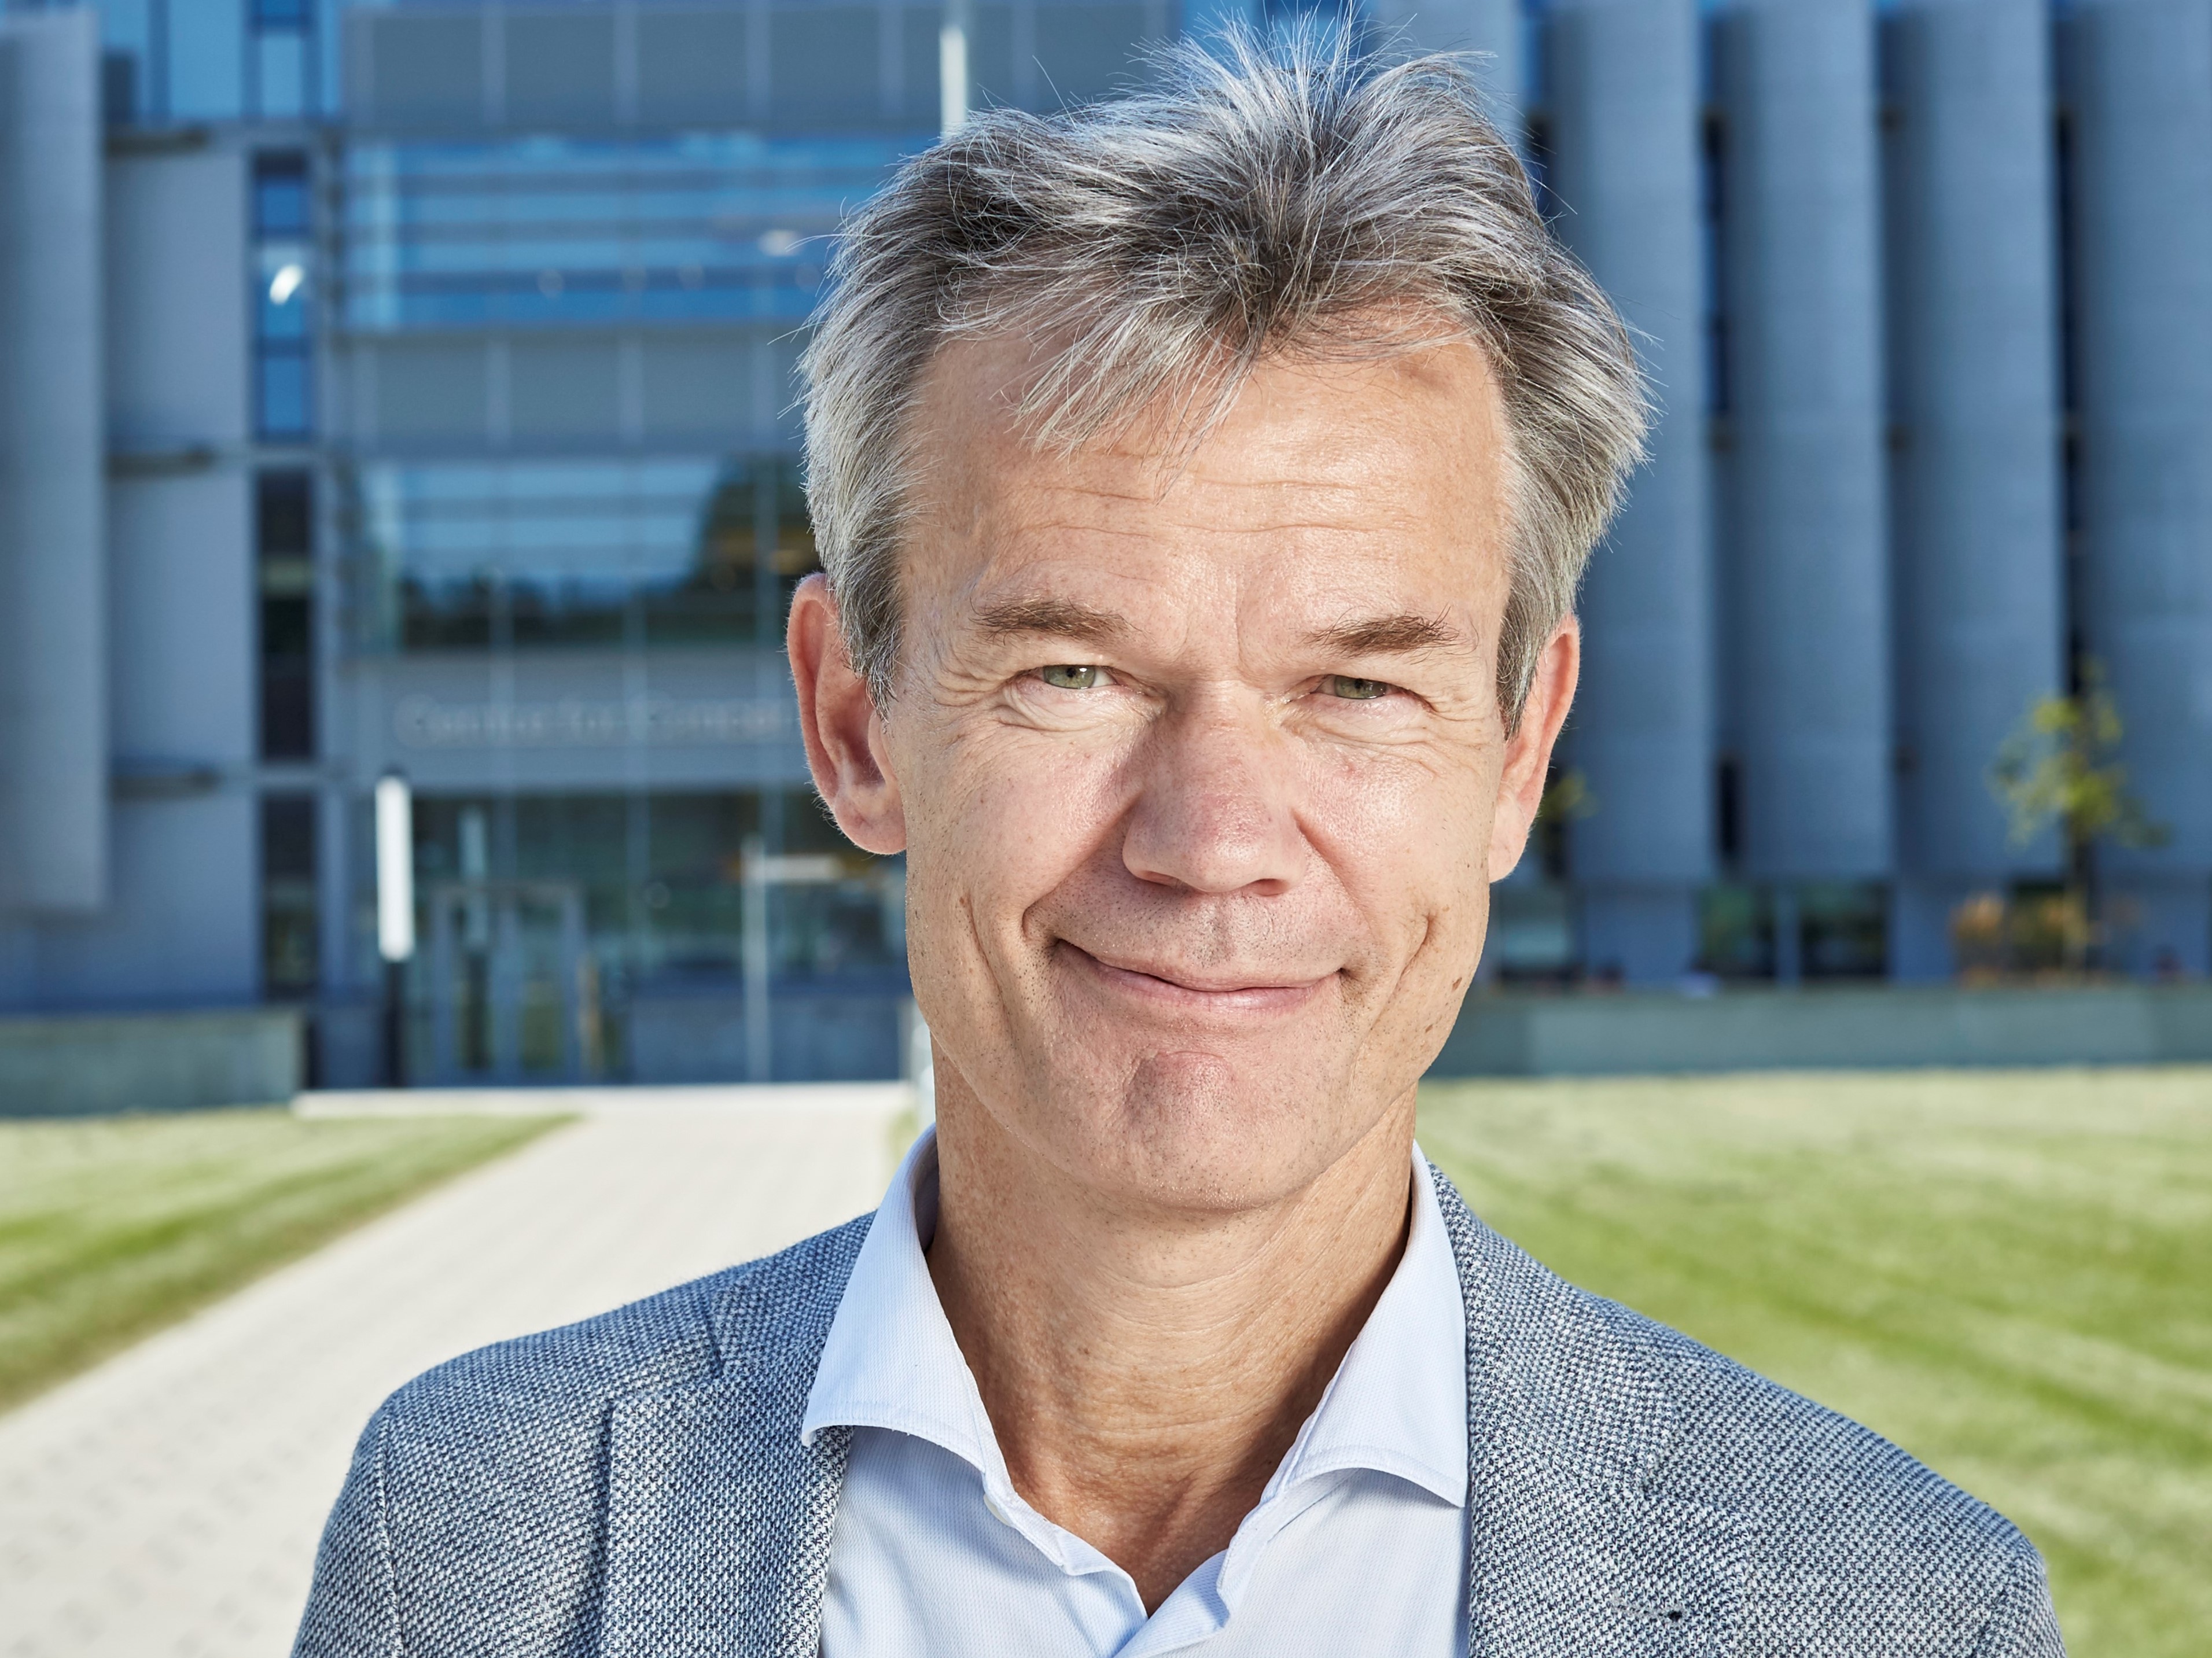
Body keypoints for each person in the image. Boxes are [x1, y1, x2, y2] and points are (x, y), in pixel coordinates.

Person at [295, 34, 2062, 1657]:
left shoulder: (1902, 1609)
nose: (1215, 843)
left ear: (1517, 750)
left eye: (1360, 687)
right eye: (1074, 669)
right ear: (855, 724)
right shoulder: (472, 1551)